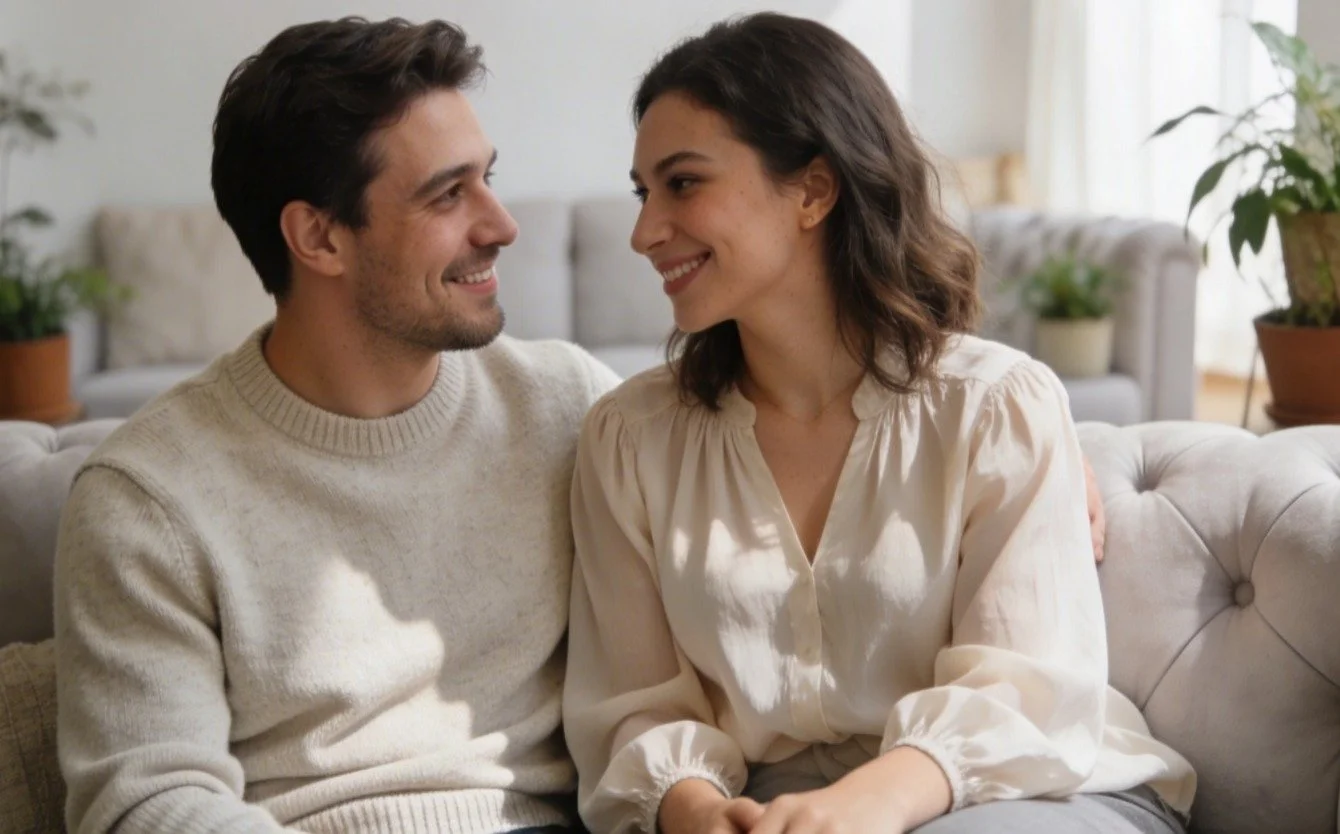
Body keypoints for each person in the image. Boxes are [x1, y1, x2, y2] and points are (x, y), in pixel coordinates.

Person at [562, 13, 1195, 834]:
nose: (645, 232)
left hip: (1019, 790)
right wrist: (695, 813)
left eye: (683, 183)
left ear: (815, 190)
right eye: (644, 193)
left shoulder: (996, 406)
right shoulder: (629, 439)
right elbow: (632, 705)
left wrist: (865, 805)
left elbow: (1028, 692)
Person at [53, 18, 619, 834]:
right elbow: (147, 805)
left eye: (489, 179)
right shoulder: (149, 499)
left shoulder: (569, 406)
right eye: (448, 193)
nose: (501, 225)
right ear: (318, 237)